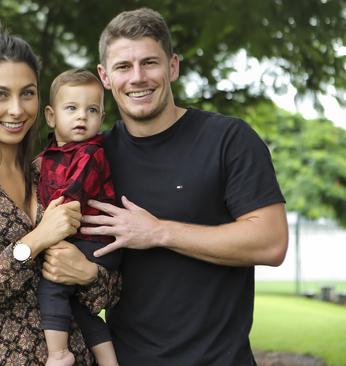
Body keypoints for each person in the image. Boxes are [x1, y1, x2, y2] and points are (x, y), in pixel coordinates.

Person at [41, 8, 289, 365]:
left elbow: (271, 242)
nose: (137, 78)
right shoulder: (94, 158)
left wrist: (158, 232)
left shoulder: (228, 139)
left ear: (173, 66)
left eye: (150, 63)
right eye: (123, 67)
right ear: (105, 77)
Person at [0, 20, 118, 364]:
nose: (17, 109)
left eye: (27, 93)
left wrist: (89, 275)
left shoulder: (50, 172)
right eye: (1, 94)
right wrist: (33, 242)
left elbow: (112, 288)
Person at [37, 69, 121, 366]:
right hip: (86, 241)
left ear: (101, 117)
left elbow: (68, 203)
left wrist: (38, 226)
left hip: (92, 241)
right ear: (51, 115)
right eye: (71, 108)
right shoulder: (52, 153)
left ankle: (59, 354)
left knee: (52, 284)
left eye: (92, 110)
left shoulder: (90, 153)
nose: (82, 117)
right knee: (80, 308)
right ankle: (109, 361)